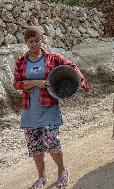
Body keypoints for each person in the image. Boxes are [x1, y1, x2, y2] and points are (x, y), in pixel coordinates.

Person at [13, 26, 89, 189]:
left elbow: (72, 67)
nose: (34, 44)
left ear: (42, 39)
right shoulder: (21, 61)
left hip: (49, 109)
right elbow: (17, 84)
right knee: (35, 147)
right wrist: (35, 83)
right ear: (26, 43)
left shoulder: (52, 58)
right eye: (30, 41)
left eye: (37, 40)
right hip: (29, 112)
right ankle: (41, 177)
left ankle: (62, 171)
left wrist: (80, 81)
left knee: (52, 142)